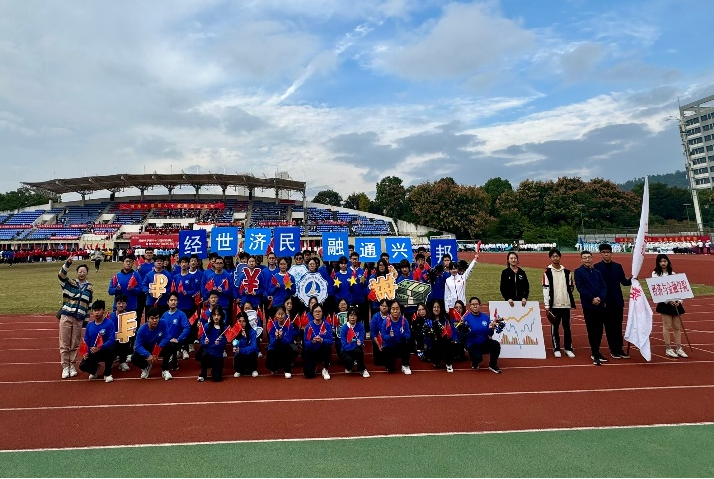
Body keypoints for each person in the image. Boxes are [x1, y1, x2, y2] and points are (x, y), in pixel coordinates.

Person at [594, 243, 632, 359]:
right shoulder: (597, 267)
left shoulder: (618, 266)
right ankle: (613, 349)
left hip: (617, 301)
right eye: (604, 252)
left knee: (618, 326)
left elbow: (624, 282)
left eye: (608, 252)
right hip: (605, 302)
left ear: (611, 253)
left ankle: (619, 348)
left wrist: (633, 279)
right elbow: (597, 285)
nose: (606, 254)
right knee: (609, 326)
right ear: (600, 254)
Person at [58, 257, 93, 379]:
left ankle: (72, 365)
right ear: (77, 272)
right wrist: (67, 263)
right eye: (80, 271)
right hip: (67, 315)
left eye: (84, 271)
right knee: (64, 343)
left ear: (87, 273)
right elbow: (61, 276)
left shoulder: (89, 288)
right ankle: (65, 367)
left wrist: (86, 322)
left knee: (75, 343)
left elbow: (89, 305)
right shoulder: (70, 283)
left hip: (79, 318)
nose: (82, 273)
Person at [574, 251, 608, 366]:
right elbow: (581, 288)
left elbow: (604, 286)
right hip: (589, 305)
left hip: (600, 305)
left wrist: (600, 298)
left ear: (592, 258)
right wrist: (592, 298)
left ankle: (597, 351)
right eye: (585, 258)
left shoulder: (597, 272)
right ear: (581, 260)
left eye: (589, 257)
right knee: (592, 330)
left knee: (599, 330)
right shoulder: (578, 272)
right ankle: (594, 353)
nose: (587, 260)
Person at [542, 248, 576, 358]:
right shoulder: (547, 272)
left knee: (567, 327)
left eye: (557, 256)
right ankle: (556, 348)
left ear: (560, 257)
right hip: (554, 305)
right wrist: (547, 306)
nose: (555, 258)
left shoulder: (567, 272)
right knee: (555, 327)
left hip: (566, 304)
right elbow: (545, 289)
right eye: (553, 256)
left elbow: (571, 287)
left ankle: (568, 348)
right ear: (550, 258)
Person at [652, 254, 688, 358]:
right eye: (661, 261)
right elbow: (658, 290)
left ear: (668, 262)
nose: (663, 263)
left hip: (675, 303)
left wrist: (679, 301)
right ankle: (668, 348)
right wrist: (669, 300)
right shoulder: (655, 274)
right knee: (667, 326)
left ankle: (679, 348)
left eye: (665, 261)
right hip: (665, 303)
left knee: (677, 326)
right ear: (658, 263)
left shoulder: (673, 274)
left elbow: (679, 289)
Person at [78, 300, 116, 383]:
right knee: (82, 366)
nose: (97, 313)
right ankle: (94, 369)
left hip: (105, 350)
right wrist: (86, 352)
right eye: (95, 310)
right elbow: (86, 340)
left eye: (99, 310)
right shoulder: (89, 325)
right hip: (93, 351)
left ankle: (107, 373)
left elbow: (112, 339)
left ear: (103, 311)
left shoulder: (109, 324)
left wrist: (100, 347)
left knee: (111, 349)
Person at [462, 296, 502, 373]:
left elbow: (490, 334)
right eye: (473, 304)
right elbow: (464, 333)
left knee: (496, 344)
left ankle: (493, 365)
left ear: (480, 305)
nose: (475, 306)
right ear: (470, 306)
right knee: (478, 358)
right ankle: (475, 362)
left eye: (477, 304)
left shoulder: (485, 317)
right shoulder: (466, 318)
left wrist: (492, 328)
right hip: (473, 344)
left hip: (484, 342)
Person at [131, 307, 172, 379]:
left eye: (157, 318)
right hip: (147, 348)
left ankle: (165, 369)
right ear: (147, 319)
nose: (155, 320)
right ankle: (146, 366)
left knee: (170, 345)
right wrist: (148, 355)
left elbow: (167, 337)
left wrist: (158, 349)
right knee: (134, 358)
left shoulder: (163, 323)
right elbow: (138, 346)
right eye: (152, 318)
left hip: (158, 346)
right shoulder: (141, 330)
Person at [303, 303, 333, 380]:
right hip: (312, 350)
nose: (317, 313)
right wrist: (312, 342)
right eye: (315, 311)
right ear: (312, 313)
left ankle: (325, 369)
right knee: (308, 374)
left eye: (319, 311)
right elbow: (305, 344)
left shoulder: (327, 325)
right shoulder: (308, 326)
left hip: (322, 350)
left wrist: (322, 340)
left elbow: (330, 341)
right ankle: (313, 365)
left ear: (322, 313)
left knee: (328, 348)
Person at [381, 301, 412, 375]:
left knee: (406, 344)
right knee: (390, 369)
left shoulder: (404, 320)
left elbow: (408, 334)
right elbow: (383, 336)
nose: (395, 311)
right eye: (393, 309)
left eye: (397, 309)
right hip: (389, 346)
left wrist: (403, 335)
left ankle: (405, 365)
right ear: (390, 310)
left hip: (400, 345)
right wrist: (390, 336)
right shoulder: (386, 321)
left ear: (400, 310)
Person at [162, 292, 190, 371]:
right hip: (166, 340)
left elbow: (187, 328)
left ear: (177, 302)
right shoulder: (164, 315)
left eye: (175, 300)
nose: (173, 302)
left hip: (177, 341)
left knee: (172, 345)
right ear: (167, 302)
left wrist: (179, 339)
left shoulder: (181, 314)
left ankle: (172, 361)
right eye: (171, 300)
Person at [198, 306, 228, 382]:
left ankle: (214, 369)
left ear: (222, 316)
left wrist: (219, 344)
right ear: (212, 316)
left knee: (217, 378)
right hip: (208, 353)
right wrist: (204, 342)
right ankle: (203, 373)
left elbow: (225, 342)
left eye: (218, 315)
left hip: (218, 355)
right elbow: (202, 339)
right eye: (214, 315)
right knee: (204, 355)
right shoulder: (207, 326)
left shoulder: (225, 328)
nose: (216, 317)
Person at [424, 301, 455, 372]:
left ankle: (449, 363)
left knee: (448, 344)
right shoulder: (428, 321)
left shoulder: (445, 320)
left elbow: (450, 333)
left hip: (444, 342)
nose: (436, 309)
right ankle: (436, 360)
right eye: (434, 307)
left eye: (438, 307)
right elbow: (425, 335)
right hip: (433, 344)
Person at [266, 306, 295, 378]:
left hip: (285, 346)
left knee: (288, 349)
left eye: (282, 314)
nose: (280, 316)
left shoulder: (289, 325)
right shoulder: (272, 325)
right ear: (275, 315)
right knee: (270, 355)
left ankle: (287, 370)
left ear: (285, 314)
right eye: (278, 314)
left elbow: (289, 340)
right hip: (275, 346)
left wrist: (281, 338)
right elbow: (271, 342)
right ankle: (275, 367)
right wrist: (276, 338)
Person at [340, 307, 369, 377]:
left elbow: (361, 340)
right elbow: (344, 344)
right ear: (348, 317)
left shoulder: (360, 326)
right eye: (351, 315)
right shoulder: (344, 328)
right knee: (348, 362)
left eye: (355, 315)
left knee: (359, 351)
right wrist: (355, 344)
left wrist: (358, 344)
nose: (353, 317)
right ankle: (349, 366)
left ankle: (362, 369)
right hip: (346, 350)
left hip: (356, 349)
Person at [233, 313, 259, 378]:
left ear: (247, 321)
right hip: (240, 353)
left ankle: (253, 369)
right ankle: (239, 370)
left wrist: (245, 338)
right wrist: (243, 339)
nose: (242, 323)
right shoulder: (235, 332)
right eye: (240, 321)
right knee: (238, 355)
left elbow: (253, 347)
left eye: (244, 321)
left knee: (252, 354)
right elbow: (236, 347)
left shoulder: (252, 331)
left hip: (250, 353)